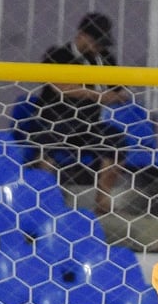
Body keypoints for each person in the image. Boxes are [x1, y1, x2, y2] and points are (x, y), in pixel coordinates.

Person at [30, 12, 130, 214]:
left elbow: (121, 91)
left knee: (117, 142)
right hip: (56, 121)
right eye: (96, 41)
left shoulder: (104, 59)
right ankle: (46, 200)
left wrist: (113, 95)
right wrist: (96, 95)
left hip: (89, 125)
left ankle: (102, 201)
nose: (99, 47)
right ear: (82, 35)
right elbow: (61, 87)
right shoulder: (58, 55)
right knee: (44, 143)